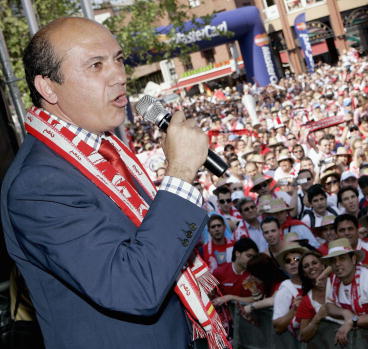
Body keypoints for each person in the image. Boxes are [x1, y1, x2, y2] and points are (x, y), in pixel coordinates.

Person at [1, 17, 221, 349]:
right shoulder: (38, 185)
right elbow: (134, 287)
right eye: (96, 65)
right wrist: (179, 174)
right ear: (48, 87)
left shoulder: (105, 152)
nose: (119, 75)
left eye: (118, 59)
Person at [323, 238, 368, 346]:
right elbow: (329, 306)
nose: (337, 264)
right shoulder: (334, 280)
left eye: (342, 258)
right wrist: (344, 313)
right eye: (333, 260)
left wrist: (352, 321)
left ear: (354, 259)